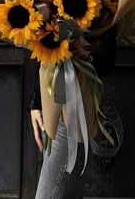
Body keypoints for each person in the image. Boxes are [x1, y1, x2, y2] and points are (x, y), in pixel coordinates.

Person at [29, 26, 117, 199]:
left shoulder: (102, 3)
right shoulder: (46, 4)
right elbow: (44, 51)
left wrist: (84, 50)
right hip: (51, 102)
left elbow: (107, 59)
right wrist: (35, 103)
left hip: (75, 106)